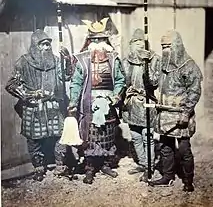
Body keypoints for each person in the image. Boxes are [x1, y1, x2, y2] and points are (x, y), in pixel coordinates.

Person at [5, 29, 72, 181]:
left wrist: (67, 60)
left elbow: (66, 76)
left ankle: (60, 165)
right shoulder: (23, 62)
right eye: (43, 44)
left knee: (60, 135)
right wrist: (28, 95)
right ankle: (39, 168)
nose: (47, 47)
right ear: (35, 46)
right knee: (34, 140)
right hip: (33, 107)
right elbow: (11, 85)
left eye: (48, 44)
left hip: (53, 105)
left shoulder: (56, 61)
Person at [68, 17, 126, 184]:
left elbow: (121, 80)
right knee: (91, 138)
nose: (98, 42)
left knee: (108, 135)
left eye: (101, 39)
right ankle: (90, 168)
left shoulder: (114, 58)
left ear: (105, 40)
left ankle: (106, 164)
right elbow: (76, 82)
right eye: (94, 39)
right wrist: (73, 102)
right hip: (89, 106)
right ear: (89, 40)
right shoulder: (82, 60)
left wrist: (115, 96)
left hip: (109, 104)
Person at [148, 30, 203, 192]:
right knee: (165, 147)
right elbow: (152, 83)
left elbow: (194, 91)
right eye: (163, 46)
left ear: (177, 46)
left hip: (181, 115)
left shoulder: (188, 66)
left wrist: (186, 112)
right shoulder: (162, 66)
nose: (165, 50)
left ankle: (188, 180)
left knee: (184, 149)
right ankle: (167, 176)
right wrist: (146, 64)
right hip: (164, 115)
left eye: (168, 46)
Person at [122, 29, 161, 181]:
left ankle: (149, 168)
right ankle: (144, 163)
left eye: (141, 43)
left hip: (147, 102)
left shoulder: (155, 59)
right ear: (131, 45)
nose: (138, 46)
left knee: (147, 137)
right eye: (135, 43)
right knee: (135, 136)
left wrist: (146, 65)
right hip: (131, 103)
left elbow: (154, 83)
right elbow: (123, 82)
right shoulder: (126, 61)